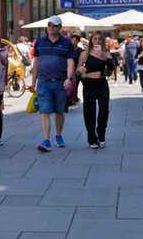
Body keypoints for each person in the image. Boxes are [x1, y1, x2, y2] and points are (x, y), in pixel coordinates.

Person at [29, 16, 77, 151]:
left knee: (59, 111)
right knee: (44, 111)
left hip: (60, 82)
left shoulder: (66, 43)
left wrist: (69, 78)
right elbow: (36, 62)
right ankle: (46, 140)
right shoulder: (40, 42)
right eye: (49, 25)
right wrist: (33, 82)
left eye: (54, 25)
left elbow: (70, 62)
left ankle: (59, 135)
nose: (51, 27)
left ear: (60, 27)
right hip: (43, 82)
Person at [78, 32, 113, 148]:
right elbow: (78, 69)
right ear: (91, 40)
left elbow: (111, 69)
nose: (97, 41)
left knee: (104, 111)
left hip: (102, 84)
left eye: (99, 39)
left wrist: (107, 57)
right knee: (89, 112)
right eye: (95, 39)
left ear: (102, 41)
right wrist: (81, 70)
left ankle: (101, 134)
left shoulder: (105, 53)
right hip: (89, 84)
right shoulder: (84, 54)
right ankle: (92, 139)